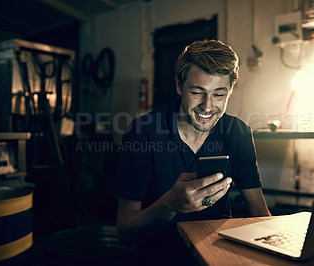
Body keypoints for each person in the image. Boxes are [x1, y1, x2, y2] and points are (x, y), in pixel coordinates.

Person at [114, 39, 270, 263]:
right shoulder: (143, 133)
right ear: (179, 85)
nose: (207, 106)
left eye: (218, 94)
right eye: (197, 92)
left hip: (216, 255)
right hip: (159, 258)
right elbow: (124, 232)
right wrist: (168, 205)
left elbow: (258, 212)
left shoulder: (238, 133)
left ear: (230, 90)